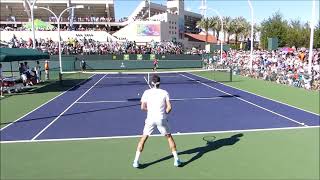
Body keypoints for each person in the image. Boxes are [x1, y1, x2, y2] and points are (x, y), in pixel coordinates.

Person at [132, 75, 181, 168]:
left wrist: (150, 111)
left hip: (150, 119)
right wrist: (165, 113)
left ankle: (135, 161)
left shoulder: (146, 92)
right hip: (161, 118)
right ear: (159, 83)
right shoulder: (165, 92)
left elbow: (142, 107)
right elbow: (169, 108)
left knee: (143, 138)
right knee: (169, 137)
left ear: (151, 83)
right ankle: (176, 160)